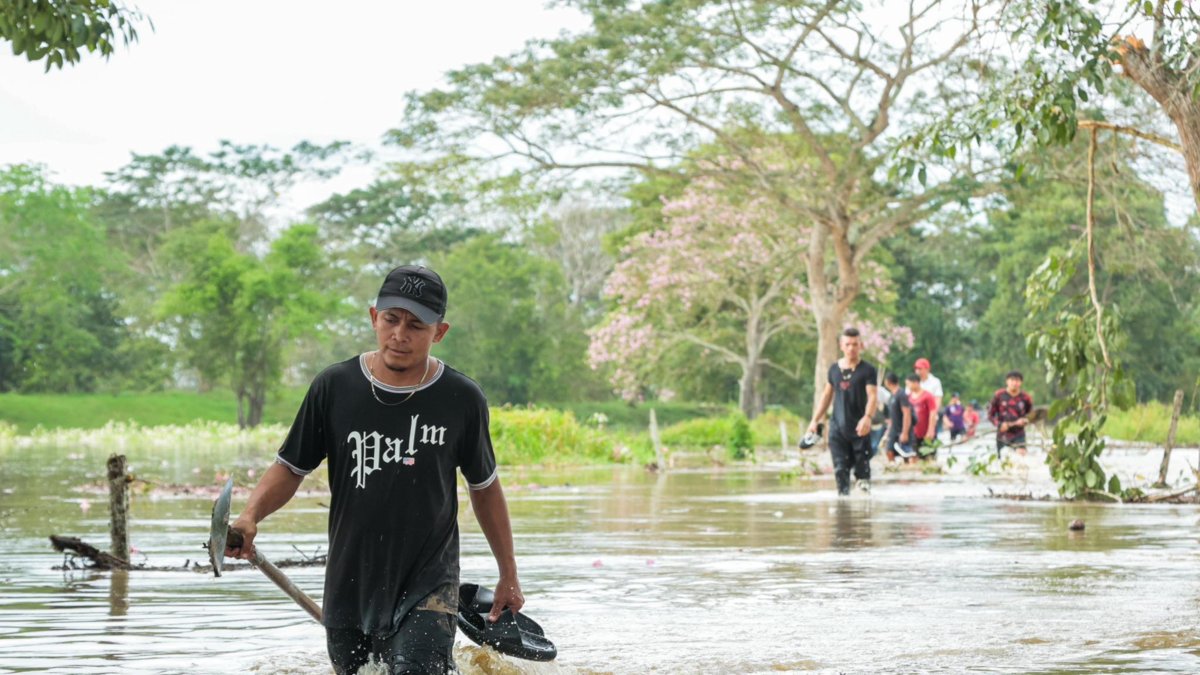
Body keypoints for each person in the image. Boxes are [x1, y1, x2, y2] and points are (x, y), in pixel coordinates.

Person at [225, 264, 523, 675]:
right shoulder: (334, 387)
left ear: (440, 332)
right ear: (373, 317)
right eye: (391, 319)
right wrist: (250, 515)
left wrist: (508, 573)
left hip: (429, 580)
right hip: (351, 581)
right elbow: (291, 467)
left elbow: (485, 487)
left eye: (416, 325)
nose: (400, 334)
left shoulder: (461, 398)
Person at [806, 327, 878, 495]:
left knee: (863, 478)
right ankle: (843, 513)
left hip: (861, 429)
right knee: (840, 470)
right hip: (838, 429)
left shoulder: (868, 370)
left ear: (861, 345)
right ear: (841, 346)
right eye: (848, 344)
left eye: (855, 344)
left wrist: (867, 417)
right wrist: (815, 420)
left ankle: (863, 515)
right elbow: (826, 396)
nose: (851, 348)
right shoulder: (834, 370)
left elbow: (872, 396)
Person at [988, 370, 1034, 457]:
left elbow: (1031, 415)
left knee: (1021, 459)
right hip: (1003, 435)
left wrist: (1026, 420)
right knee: (1004, 462)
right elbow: (990, 414)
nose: (1014, 383)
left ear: (1021, 382)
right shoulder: (999, 395)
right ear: (1007, 381)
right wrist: (999, 425)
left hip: (1019, 434)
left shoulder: (1025, 397)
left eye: (1017, 380)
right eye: (1012, 380)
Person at [882, 373, 915, 463]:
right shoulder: (892, 396)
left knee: (908, 455)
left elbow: (907, 414)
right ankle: (894, 469)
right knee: (889, 451)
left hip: (903, 429)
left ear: (888, 382)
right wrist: (887, 433)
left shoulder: (901, 394)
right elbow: (892, 417)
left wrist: (905, 432)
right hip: (893, 430)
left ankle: (909, 472)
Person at [906, 373, 938, 459]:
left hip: (927, 433)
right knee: (915, 457)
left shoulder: (928, 396)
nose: (908, 386)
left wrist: (931, 430)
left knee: (929, 458)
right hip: (914, 434)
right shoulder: (908, 397)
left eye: (909, 384)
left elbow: (933, 413)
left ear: (916, 383)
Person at [914, 358, 943, 437]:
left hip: (930, 419)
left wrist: (932, 418)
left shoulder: (935, 382)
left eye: (920, 369)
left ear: (927, 369)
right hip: (916, 420)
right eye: (916, 368)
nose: (917, 371)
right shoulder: (913, 382)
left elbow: (938, 400)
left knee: (929, 445)